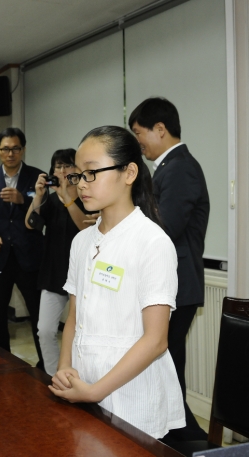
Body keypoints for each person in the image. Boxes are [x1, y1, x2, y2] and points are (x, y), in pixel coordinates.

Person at [49, 125, 185, 440]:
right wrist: (66, 368)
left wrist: (95, 391)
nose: (81, 184)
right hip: (84, 385)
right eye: (78, 175)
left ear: (129, 173)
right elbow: (74, 318)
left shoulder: (151, 242)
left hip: (130, 396)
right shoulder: (82, 242)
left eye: (92, 173)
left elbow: (156, 341)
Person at [128, 97, 210, 441]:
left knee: (169, 369)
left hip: (178, 286)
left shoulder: (181, 168)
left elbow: (167, 227)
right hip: (169, 285)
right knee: (167, 369)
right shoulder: (168, 167)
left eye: (139, 133)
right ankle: (183, 439)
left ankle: (191, 441)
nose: (137, 142)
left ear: (160, 129)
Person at [0, 127, 46, 368]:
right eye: (5, 149)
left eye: (16, 148)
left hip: (29, 256)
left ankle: (46, 364)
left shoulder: (37, 177)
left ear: (23, 149)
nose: (11, 153)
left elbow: (44, 211)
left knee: (39, 315)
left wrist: (23, 199)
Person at [24, 149, 91, 376]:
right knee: (44, 330)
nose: (62, 171)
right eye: (57, 167)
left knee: (79, 332)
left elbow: (85, 226)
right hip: (53, 273)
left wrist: (67, 198)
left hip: (81, 275)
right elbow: (31, 223)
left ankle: (76, 376)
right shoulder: (50, 200)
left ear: (77, 169)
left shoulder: (87, 196)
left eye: (67, 166)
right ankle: (52, 375)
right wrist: (39, 195)